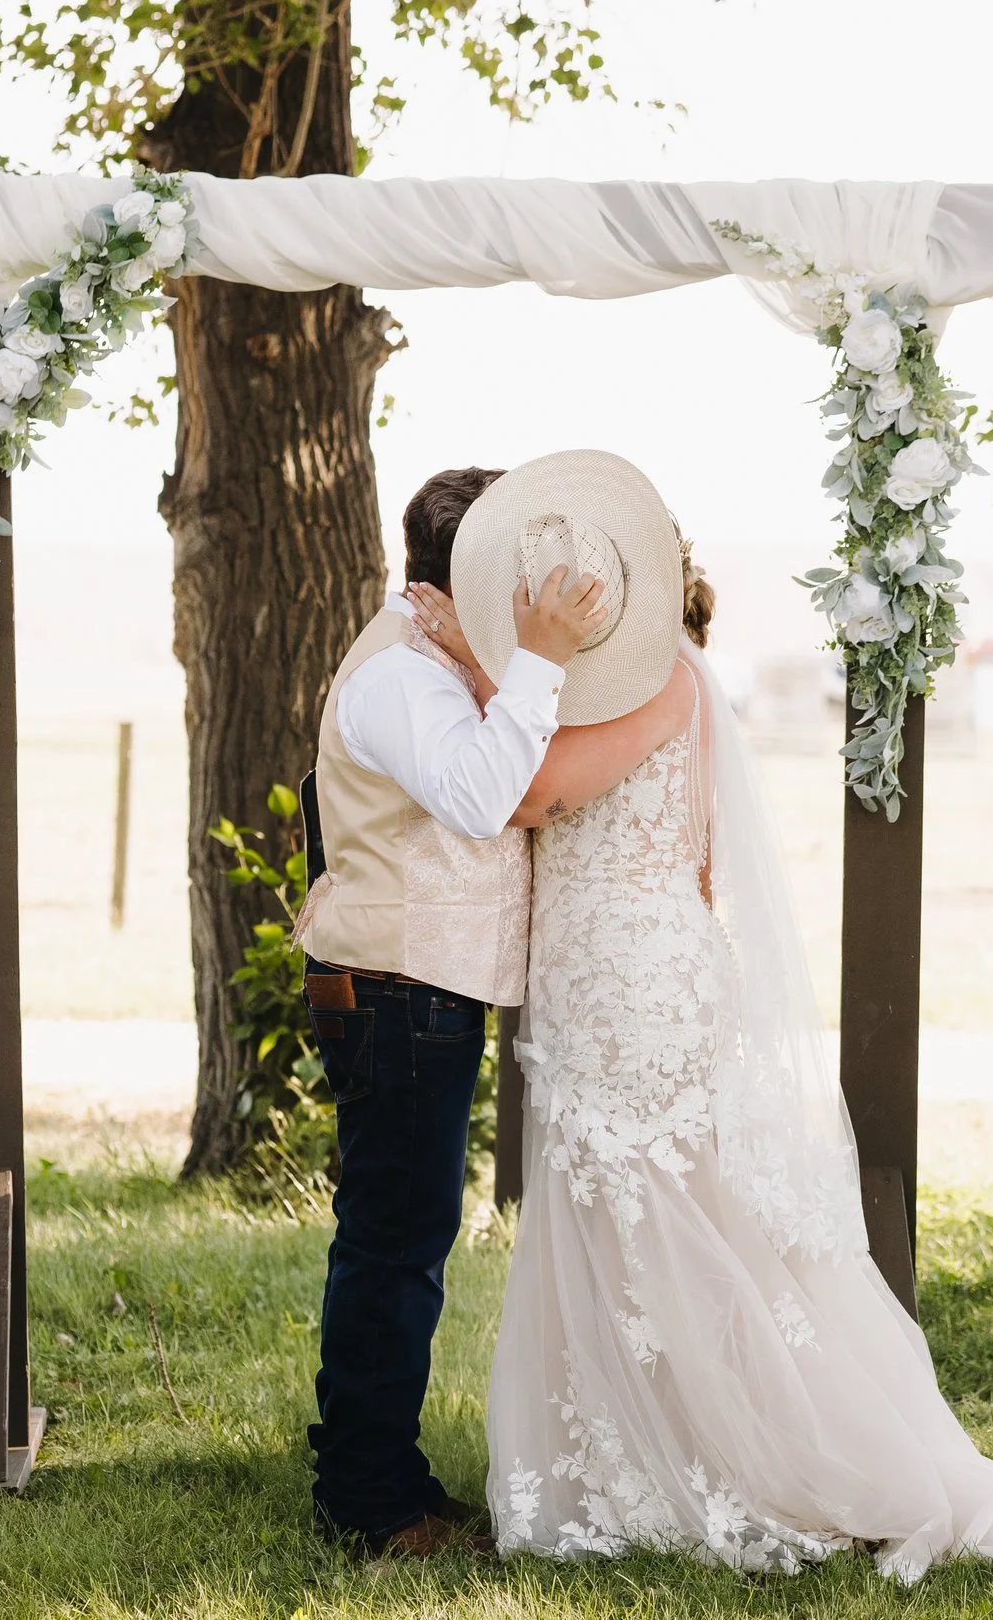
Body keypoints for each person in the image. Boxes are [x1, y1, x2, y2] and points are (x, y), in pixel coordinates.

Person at [419, 450, 993, 1613]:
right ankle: (632, 1448)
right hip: (591, 972)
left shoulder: (667, 680)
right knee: (615, 1210)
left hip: (637, 977)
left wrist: (532, 674)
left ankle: (733, 1455)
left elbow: (533, 795)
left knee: (671, 1211)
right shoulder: (600, 690)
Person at [291, 464, 608, 1557]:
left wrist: (501, 661)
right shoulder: (398, 679)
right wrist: (540, 662)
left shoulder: (436, 660)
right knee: (395, 1245)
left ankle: (377, 1474)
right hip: (395, 984)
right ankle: (372, 1503)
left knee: (398, 1238)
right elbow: (480, 798)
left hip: (416, 983)